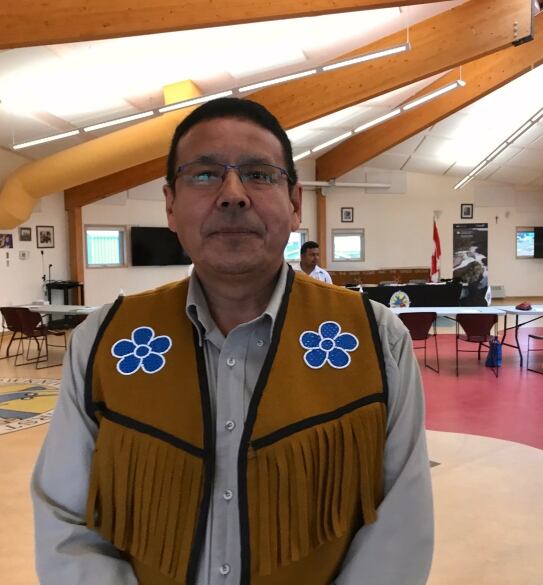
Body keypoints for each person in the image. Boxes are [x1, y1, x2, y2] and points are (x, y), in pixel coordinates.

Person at [31, 97, 433, 585]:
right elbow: (67, 524)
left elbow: (399, 529)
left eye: (260, 174)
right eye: (204, 175)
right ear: (170, 205)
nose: (233, 194)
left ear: (295, 202)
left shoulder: (376, 340)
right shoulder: (102, 343)